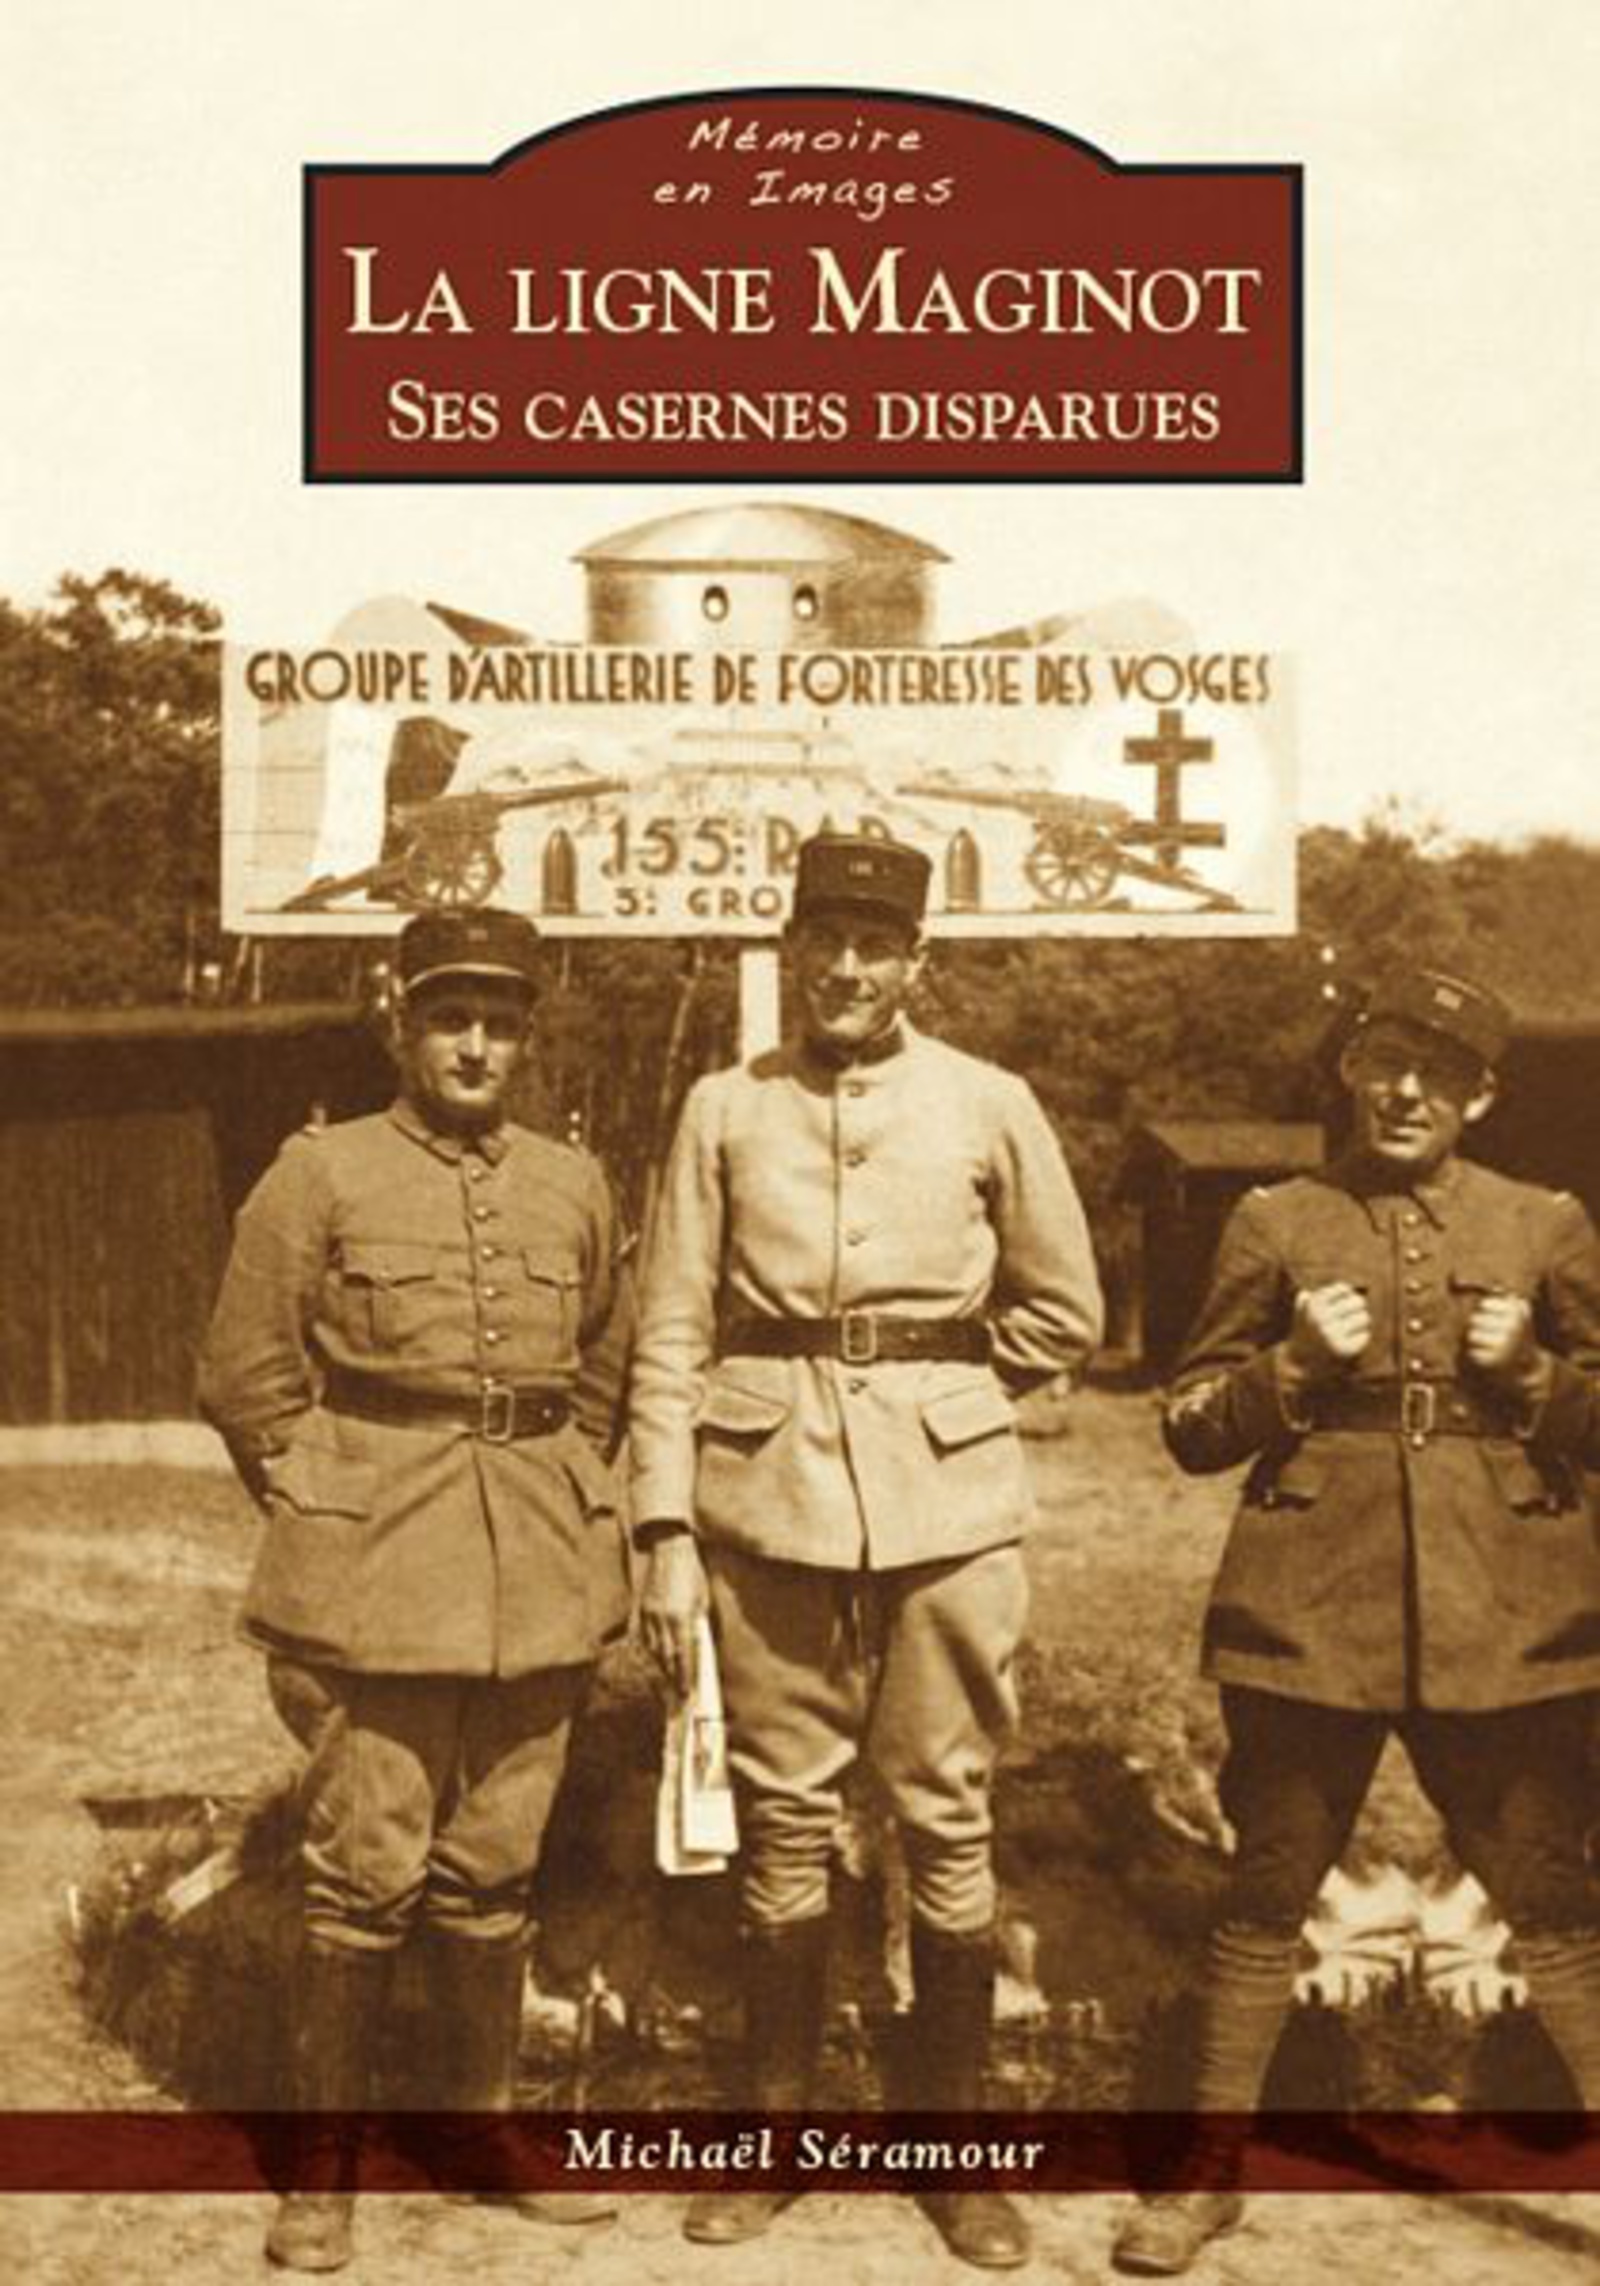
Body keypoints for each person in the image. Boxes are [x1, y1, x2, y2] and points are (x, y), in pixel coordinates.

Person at [630, 831, 1104, 2271]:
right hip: (765, 1503)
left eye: (876, 943)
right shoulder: (725, 1106)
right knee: (781, 1820)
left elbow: (1065, 1309)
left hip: (949, 1518)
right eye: (825, 938)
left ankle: (952, 2160)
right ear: (793, 945)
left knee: (947, 1817)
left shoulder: (988, 1101)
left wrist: (937, 1387)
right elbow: (670, 1329)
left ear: (917, 958)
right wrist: (663, 1525)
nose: (847, 966)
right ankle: (774, 2139)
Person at [1112, 966, 1600, 2276]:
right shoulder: (1277, 1219)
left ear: (1481, 1097)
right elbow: (1191, 1422)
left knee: (1551, 1890)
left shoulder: (1545, 1222)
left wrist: (1534, 1376)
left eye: (1440, 1074)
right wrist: (1292, 1368)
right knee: (1268, 1884)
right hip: (1308, 1607)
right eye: (1385, 1062)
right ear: (1349, 1073)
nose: (1406, 1091)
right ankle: (1206, 2172)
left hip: (1505, 1605)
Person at [198, 908, 628, 2274]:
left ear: (527, 1036)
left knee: (496, 1865)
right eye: (451, 1019)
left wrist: (563, 1490)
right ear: (404, 1025)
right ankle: (323, 2170)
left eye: (500, 1022)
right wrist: (329, 1504)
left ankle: (479, 2133)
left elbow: (604, 1366)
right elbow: (246, 1377)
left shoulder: (572, 1181)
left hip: (539, 1573)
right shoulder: (319, 1173)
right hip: (377, 1572)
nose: (476, 1046)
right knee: (365, 1870)